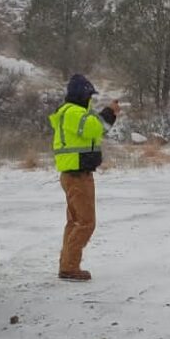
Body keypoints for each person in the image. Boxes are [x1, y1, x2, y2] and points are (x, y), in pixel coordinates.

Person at [49, 74, 119, 282]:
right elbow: (94, 128)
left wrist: (110, 115)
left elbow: (98, 130)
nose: (90, 100)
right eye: (89, 95)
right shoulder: (74, 112)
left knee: (75, 222)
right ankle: (69, 267)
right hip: (77, 176)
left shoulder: (73, 113)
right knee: (86, 223)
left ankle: (67, 264)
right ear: (82, 95)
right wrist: (108, 112)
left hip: (75, 174)